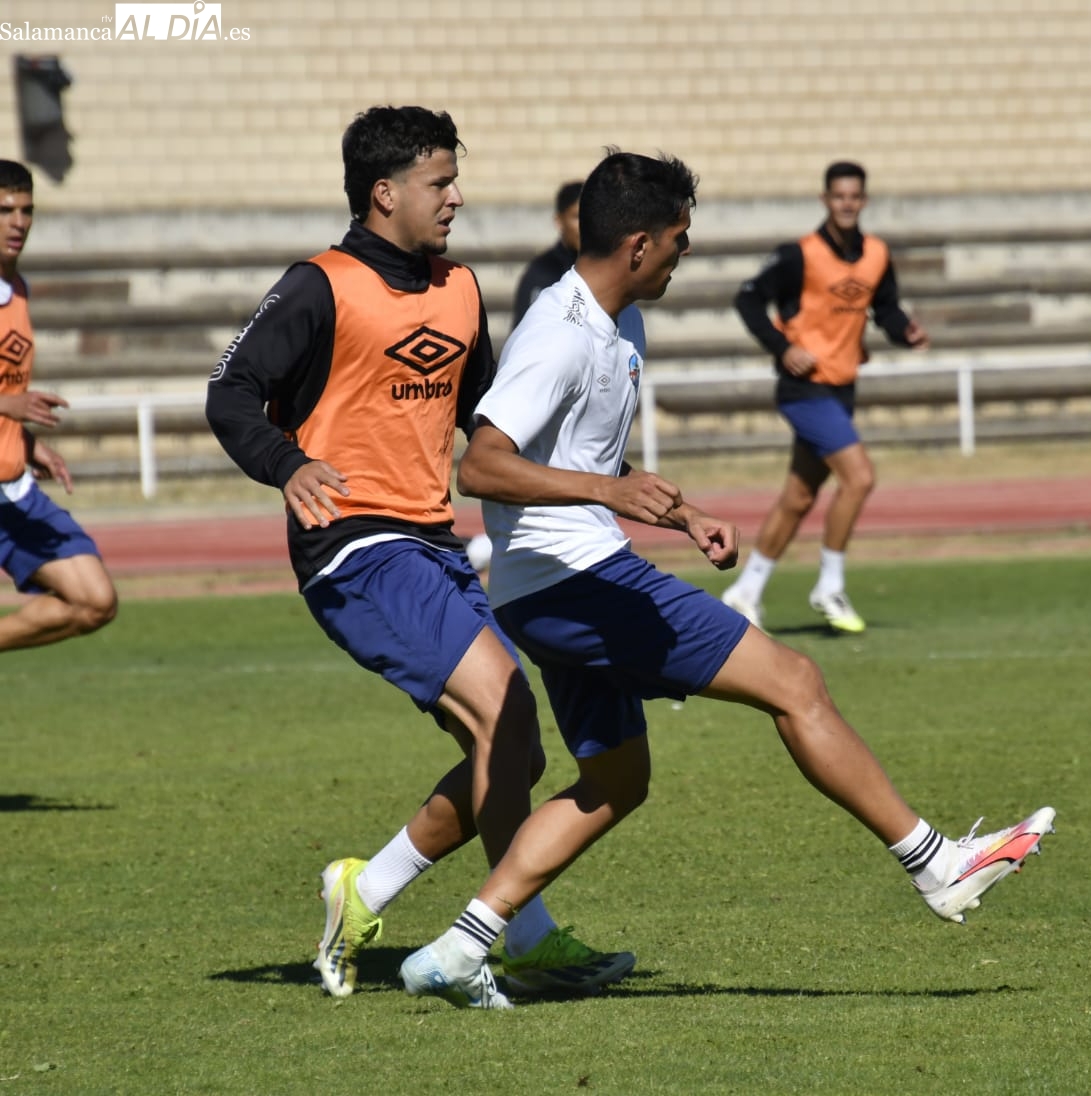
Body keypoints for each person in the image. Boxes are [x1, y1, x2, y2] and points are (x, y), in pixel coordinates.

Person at [397, 150, 1054, 1010]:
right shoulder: (559, 330)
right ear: (637, 244)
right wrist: (612, 493)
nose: (684, 256)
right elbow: (482, 467)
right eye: (679, 241)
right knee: (796, 681)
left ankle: (457, 948)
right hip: (575, 583)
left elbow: (581, 454)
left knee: (617, 783)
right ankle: (937, 865)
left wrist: (676, 510)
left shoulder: (617, 318)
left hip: (560, 584)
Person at [205, 105, 632, 1001]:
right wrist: (287, 463)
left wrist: (611, 477)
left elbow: (493, 425)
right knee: (507, 717)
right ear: (384, 192)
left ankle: (368, 889)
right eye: (440, 183)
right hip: (354, 545)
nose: (456, 198)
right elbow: (231, 392)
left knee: (514, 756)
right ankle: (515, 935)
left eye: (454, 179)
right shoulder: (319, 284)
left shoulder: (462, 289)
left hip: (434, 544)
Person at [719, 161, 929, 634]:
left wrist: (905, 332)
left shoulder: (876, 254)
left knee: (798, 496)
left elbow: (886, 308)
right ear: (825, 200)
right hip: (803, 389)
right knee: (860, 478)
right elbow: (747, 298)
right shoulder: (799, 255)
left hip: (842, 387)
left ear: (864, 200)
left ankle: (745, 591)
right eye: (839, 196)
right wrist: (782, 347)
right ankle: (829, 585)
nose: (847, 204)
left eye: (855, 196)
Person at [0, 159, 118, 654]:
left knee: (95, 600)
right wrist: (10, 404)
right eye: (5, 210)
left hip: (11, 488)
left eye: (27, 210)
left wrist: (26, 443)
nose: (19, 222)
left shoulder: (16, 286)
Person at [508, 179, 581, 338]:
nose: (583, 226)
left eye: (588, 217)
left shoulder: (602, 270)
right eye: (576, 217)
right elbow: (525, 333)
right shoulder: (542, 271)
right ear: (559, 221)